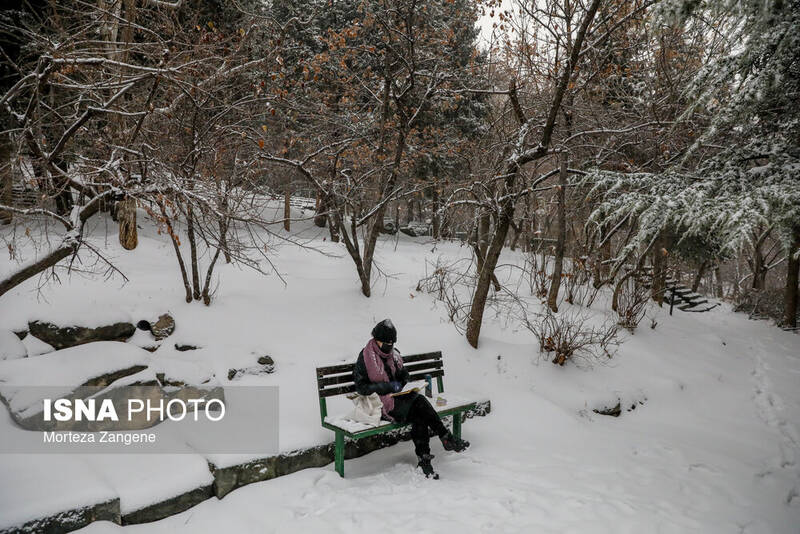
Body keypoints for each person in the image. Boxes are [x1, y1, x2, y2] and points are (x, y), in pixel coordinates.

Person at [353, 319, 469, 479]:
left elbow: (404, 375)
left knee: (418, 412)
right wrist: (388, 387)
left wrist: (403, 383)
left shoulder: (393, 355)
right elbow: (361, 388)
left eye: (392, 343)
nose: (390, 346)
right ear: (377, 341)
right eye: (386, 343)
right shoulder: (366, 357)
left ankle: (425, 461)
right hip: (379, 404)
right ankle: (443, 439)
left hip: (400, 399)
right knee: (419, 404)